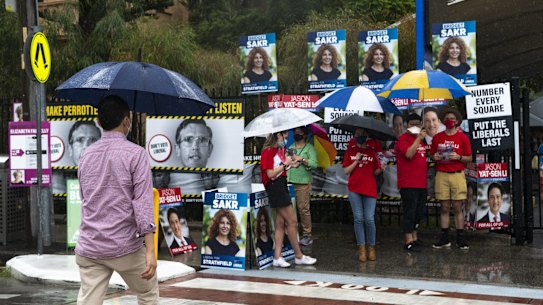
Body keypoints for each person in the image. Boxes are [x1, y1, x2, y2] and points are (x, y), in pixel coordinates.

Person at [75, 95, 158, 304]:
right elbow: (142, 203)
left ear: (99, 122)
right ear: (127, 121)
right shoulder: (136, 154)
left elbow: (85, 198)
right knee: (147, 293)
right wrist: (150, 251)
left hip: (90, 246)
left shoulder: (86, 155)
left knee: (88, 301)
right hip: (126, 247)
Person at [260, 131, 317, 267]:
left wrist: (292, 163)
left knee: (281, 223)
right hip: (275, 187)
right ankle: (299, 255)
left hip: (281, 184)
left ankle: (277, 257)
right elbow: (270, 173)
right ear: (276, 136)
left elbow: (282, 167)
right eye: (284, 136)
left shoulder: (279, 150)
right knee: (292, 221)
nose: (285, 139)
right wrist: (285, 164)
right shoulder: (268, 151)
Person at [430, 108, 472, 250]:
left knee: (458, 207)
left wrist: (459, 157)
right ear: (443, 120)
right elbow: (432, 155)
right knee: (444, 207)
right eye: (447, 118)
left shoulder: (463, 138)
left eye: (453, 118)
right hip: (442, 174)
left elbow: (470, 157)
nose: (450, 120)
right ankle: (444, 237)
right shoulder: (437, 138)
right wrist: (434, 157)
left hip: (457, 174)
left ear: (457, 121)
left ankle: (460, 237)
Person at [343, 128, 383, 262]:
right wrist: (356, 160)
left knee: (369, 219)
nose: (360, 136)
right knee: (358, 218)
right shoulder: (351, 151)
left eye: (363, 134)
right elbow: (346, 171)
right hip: (354, 188)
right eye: (357, 134)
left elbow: (376, 170)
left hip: (369, 189)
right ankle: (361, 247)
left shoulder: (371, 151)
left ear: (367, 136)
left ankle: (371, 246)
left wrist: (382, 167)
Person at [395, 113, 427, 252]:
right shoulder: (403, 140)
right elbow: (409, 154)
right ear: (407, 125)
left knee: (418, 212)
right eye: (412, 124)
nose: (415, 126)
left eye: (417, 124)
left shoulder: (422, 140)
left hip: (421, 183)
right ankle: (407, 239)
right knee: (410, 211)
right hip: (408, 183)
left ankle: (414, 236)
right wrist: (418, 138)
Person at [287, 127, 318, 246]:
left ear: (304, 135)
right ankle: (292, 233)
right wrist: (290, 163)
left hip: (303, 183)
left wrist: (302, 160)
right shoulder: (291, 147)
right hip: (290, 181)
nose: (296, 134)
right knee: (290, 209)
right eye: (295, 132)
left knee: (303, 209)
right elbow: (286, 160)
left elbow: (314, 164)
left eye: (299, 133)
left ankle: (307, 234)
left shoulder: (309, 148)